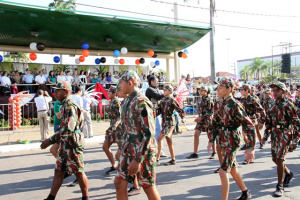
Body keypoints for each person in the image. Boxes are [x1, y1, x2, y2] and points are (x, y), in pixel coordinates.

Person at [114, 70, 160, 200]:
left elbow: (149, 133)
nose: (120, 86)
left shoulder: (141, 102)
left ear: (129, 83)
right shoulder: (126, 101)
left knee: (147, 186)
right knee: (119, 182)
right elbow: (127, 129)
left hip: (143, 151)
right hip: (128, 149)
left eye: (121, 82)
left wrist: (138, 159)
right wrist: (121, 149)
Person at [207, 77, 255, 200]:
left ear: (229, 89)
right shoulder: (218, 104)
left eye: (221, 87)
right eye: (217, 87)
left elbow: (249, 125)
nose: (218, 90)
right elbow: (215, 124)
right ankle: (246, 192)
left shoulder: (235, 105)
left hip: (233, 140)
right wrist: (211, 140)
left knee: (223, 171)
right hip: (223, 139)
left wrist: (250, 147)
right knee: (232, 168)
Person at [40, 81, 89, 200]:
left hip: (73, 143)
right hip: (65, 142)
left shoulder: (70, 106)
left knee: (78, 171)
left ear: (66, 92)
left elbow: (69, 128)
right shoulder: (65, 104)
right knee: (58, 171)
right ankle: (50, 197)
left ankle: (85, 197)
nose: (55, 92)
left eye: (58, 90)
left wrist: (50, 140)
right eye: (55, 90)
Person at [262, 82, 300, 197]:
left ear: (283, 92)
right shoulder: (272, 105)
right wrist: (265, 136)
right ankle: (288, 173)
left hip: (285, 133)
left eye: (277, 90)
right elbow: (268, 122)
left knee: (279, 159)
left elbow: (297, 123)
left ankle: (280, 186)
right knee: (275, 159)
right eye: (273, 90)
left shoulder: (289, 105)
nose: (274, 93)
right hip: (275, 134)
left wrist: (295, 141)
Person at [156, 85, 186, 166]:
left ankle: (157, 159)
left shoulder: (172, 100)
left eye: (166, 90)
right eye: (164, 90)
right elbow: (157, 111)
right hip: (164, 121)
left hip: (170, 122)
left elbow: (179, 109)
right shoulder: (162, 100)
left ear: (170, 91)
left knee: (159, 138)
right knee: (169, 141)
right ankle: (173, 159)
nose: (164, 91)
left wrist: (183, 118)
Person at [187, 85, 215, 159]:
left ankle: (214, 152)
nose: (200, 92)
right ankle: (195, 153)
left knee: (210, 136)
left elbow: (211, 112)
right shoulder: (200, 99)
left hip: (207, 120)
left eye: (202, 91)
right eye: (200, 91)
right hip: (200, 120)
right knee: (196, 134)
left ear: (206, 92)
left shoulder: (209, 99)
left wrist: (202, 117)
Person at [145, 75, 167, 158]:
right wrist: (166, 94)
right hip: (152, 113)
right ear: (152, 81)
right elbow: (158, 97)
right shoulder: (150, 90)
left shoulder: (156, 89)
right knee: (158, 130)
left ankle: (156, 150)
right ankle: (159, 151)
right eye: (156, 81)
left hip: (157, 113)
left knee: (155, 131)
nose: (157, 82)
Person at [240, 84, 266, 153]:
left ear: (247, 90)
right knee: (244, 134)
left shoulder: (253, 100)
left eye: (242, 90)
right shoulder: (242, 100)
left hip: (252, 119)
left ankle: (260, 143)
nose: (241, 91)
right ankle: (248, 146)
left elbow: (261, 110)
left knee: (253, 134)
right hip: (244, 119)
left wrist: (261, 122)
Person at [103, 86, 121, 175]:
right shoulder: (111, 102)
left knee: (121, 151)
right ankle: (114, 165)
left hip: (118, 130)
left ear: (114, 93)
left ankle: (123, 167)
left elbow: (120, 117)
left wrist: (114, 127)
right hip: (112, 129)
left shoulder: (117, 102)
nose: (107, 93)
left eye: (109, 92)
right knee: (105, 147)